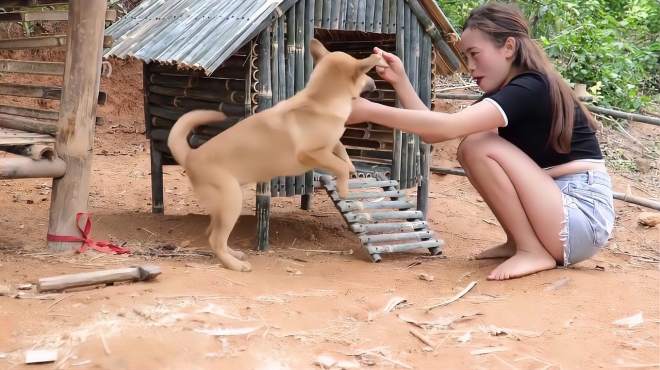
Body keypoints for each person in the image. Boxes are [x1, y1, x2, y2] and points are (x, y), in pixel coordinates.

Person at [347, 3, 615, 280]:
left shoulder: (530, 87)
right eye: (466, 57)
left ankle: (531, 249)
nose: (470, 67)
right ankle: (518, 242)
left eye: (475, 54)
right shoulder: (510, 91)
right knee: (475, 141)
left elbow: (449, 127)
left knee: (478, 145)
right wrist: (400, 81)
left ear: (508, 47)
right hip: (557, 212)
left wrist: (369, 111)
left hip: (581, 216)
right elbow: (432, 132)